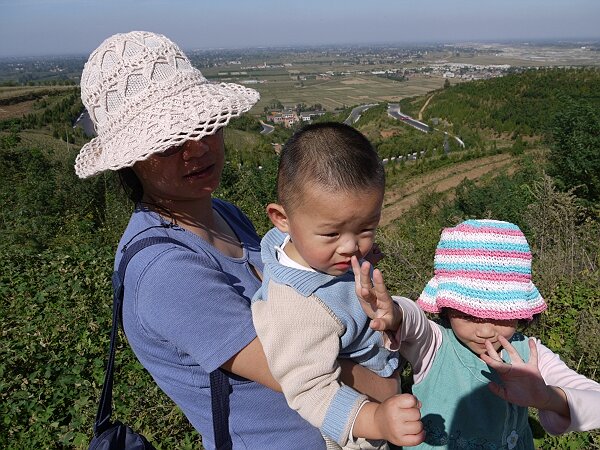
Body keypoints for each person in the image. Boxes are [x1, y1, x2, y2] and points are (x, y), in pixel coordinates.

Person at [75, 31, 398, 450]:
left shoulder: (221, 212)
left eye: (201, 126)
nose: (196, 148)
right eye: (168, 143)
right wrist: (391, 387)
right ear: (131, 160)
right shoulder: (166, 271)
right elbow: (293, 368)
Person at [251, 122, 425, 449]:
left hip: (386, 389)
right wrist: (376, 420)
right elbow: (310, 390)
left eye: (365, 228)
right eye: (332, 234)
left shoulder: (307, 245)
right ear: (282, 218)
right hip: (360, 431)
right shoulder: (297, 306)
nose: (350, 247)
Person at [354, 219, 600, 450]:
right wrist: (395, 314)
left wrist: (548, 398)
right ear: (447, 308)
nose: (485, 331)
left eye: (501, 313)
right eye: (468, 314)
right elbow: (413, 321)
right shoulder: (434, 346)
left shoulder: (530, 355)